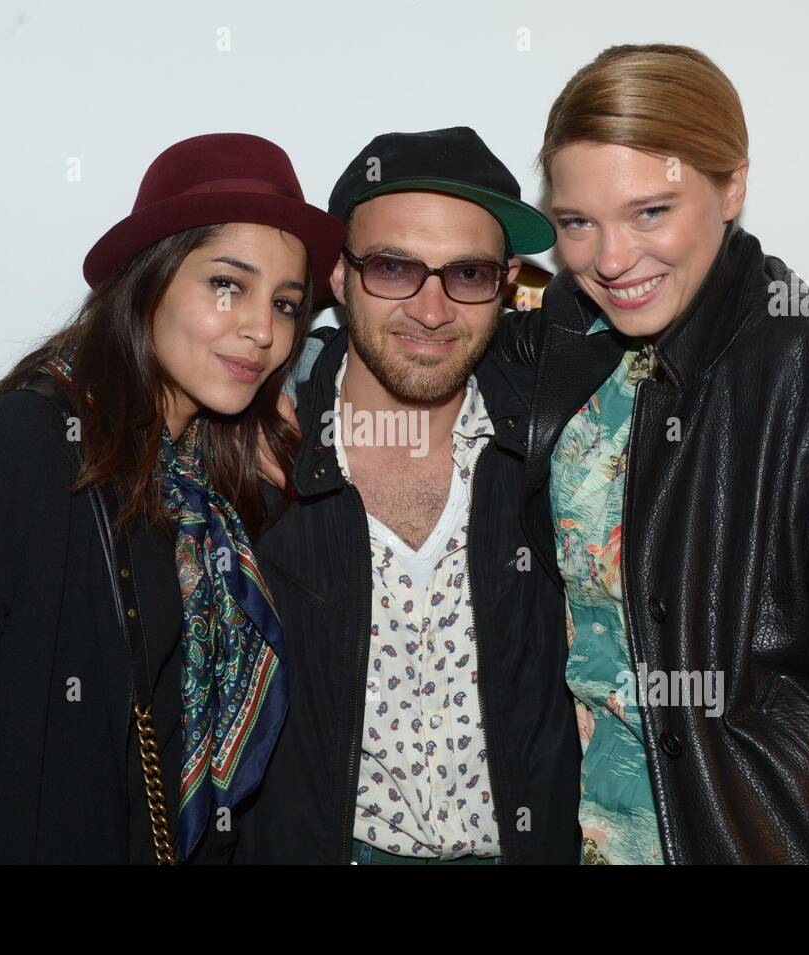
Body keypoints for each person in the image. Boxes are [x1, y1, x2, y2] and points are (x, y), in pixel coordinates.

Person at [499, 44, 809, 863]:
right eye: (576, 223)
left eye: (650, 212)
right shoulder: (569, 347)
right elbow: (424, 331)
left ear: (732, 184)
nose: (611, 259)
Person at [0, 133, 345, 863]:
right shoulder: (8, 459)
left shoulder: (208, 502)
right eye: (228, 283)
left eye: (286, 303)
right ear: (148, 277)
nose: (263, 328)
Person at [234, 127, 582, 864]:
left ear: (508, 281)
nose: (430, 309)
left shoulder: (558, 450)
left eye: (467, 273)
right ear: (336, 274)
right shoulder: (254, 454)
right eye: (394, 267)